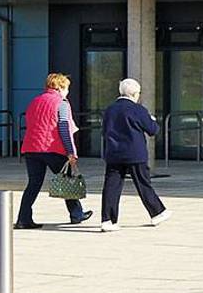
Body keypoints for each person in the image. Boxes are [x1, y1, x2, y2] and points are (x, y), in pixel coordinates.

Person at [17, 72, 93, 228]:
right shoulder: (61, 103)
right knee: (68, 178)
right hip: (52, 148)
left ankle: (23, 218)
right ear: (60, 87)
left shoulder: (35, 101)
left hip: (31, 147)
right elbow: (64, 128)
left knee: (33, 184)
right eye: (67, 88)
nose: (68, 92)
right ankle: (76, 214)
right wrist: (71, 151)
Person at [100, 77, 170, 231]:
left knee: (111, 186)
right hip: (135, 153)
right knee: (143, 184)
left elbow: (104, 131)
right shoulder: (138, 110)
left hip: (114, 153)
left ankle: (108, 220)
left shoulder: (110, 110)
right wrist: (151, 119)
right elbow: (153, 130)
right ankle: (157, 212)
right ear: (134, 94)